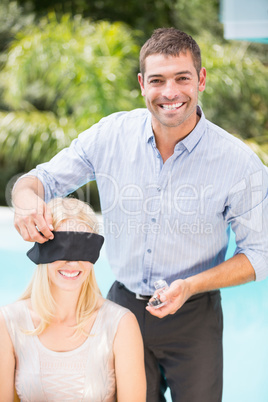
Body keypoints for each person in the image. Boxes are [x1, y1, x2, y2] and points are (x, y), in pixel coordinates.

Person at [11, 28, 268, 402]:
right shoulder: (111, 135)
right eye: (157, 80)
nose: (170, 92)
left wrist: (192, 285)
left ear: (201, 79)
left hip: (194, 316)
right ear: (141, 84)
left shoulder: (240, 164)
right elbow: (42, 180)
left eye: (182, 78)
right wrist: (24, 199)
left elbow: (260, 254)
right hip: (120, 309)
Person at [0, 197, 146, 402]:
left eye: (82, 249)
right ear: (42, 250)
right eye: (62, 248)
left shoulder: (121, 324)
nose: (73, 262)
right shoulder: (8, 322)